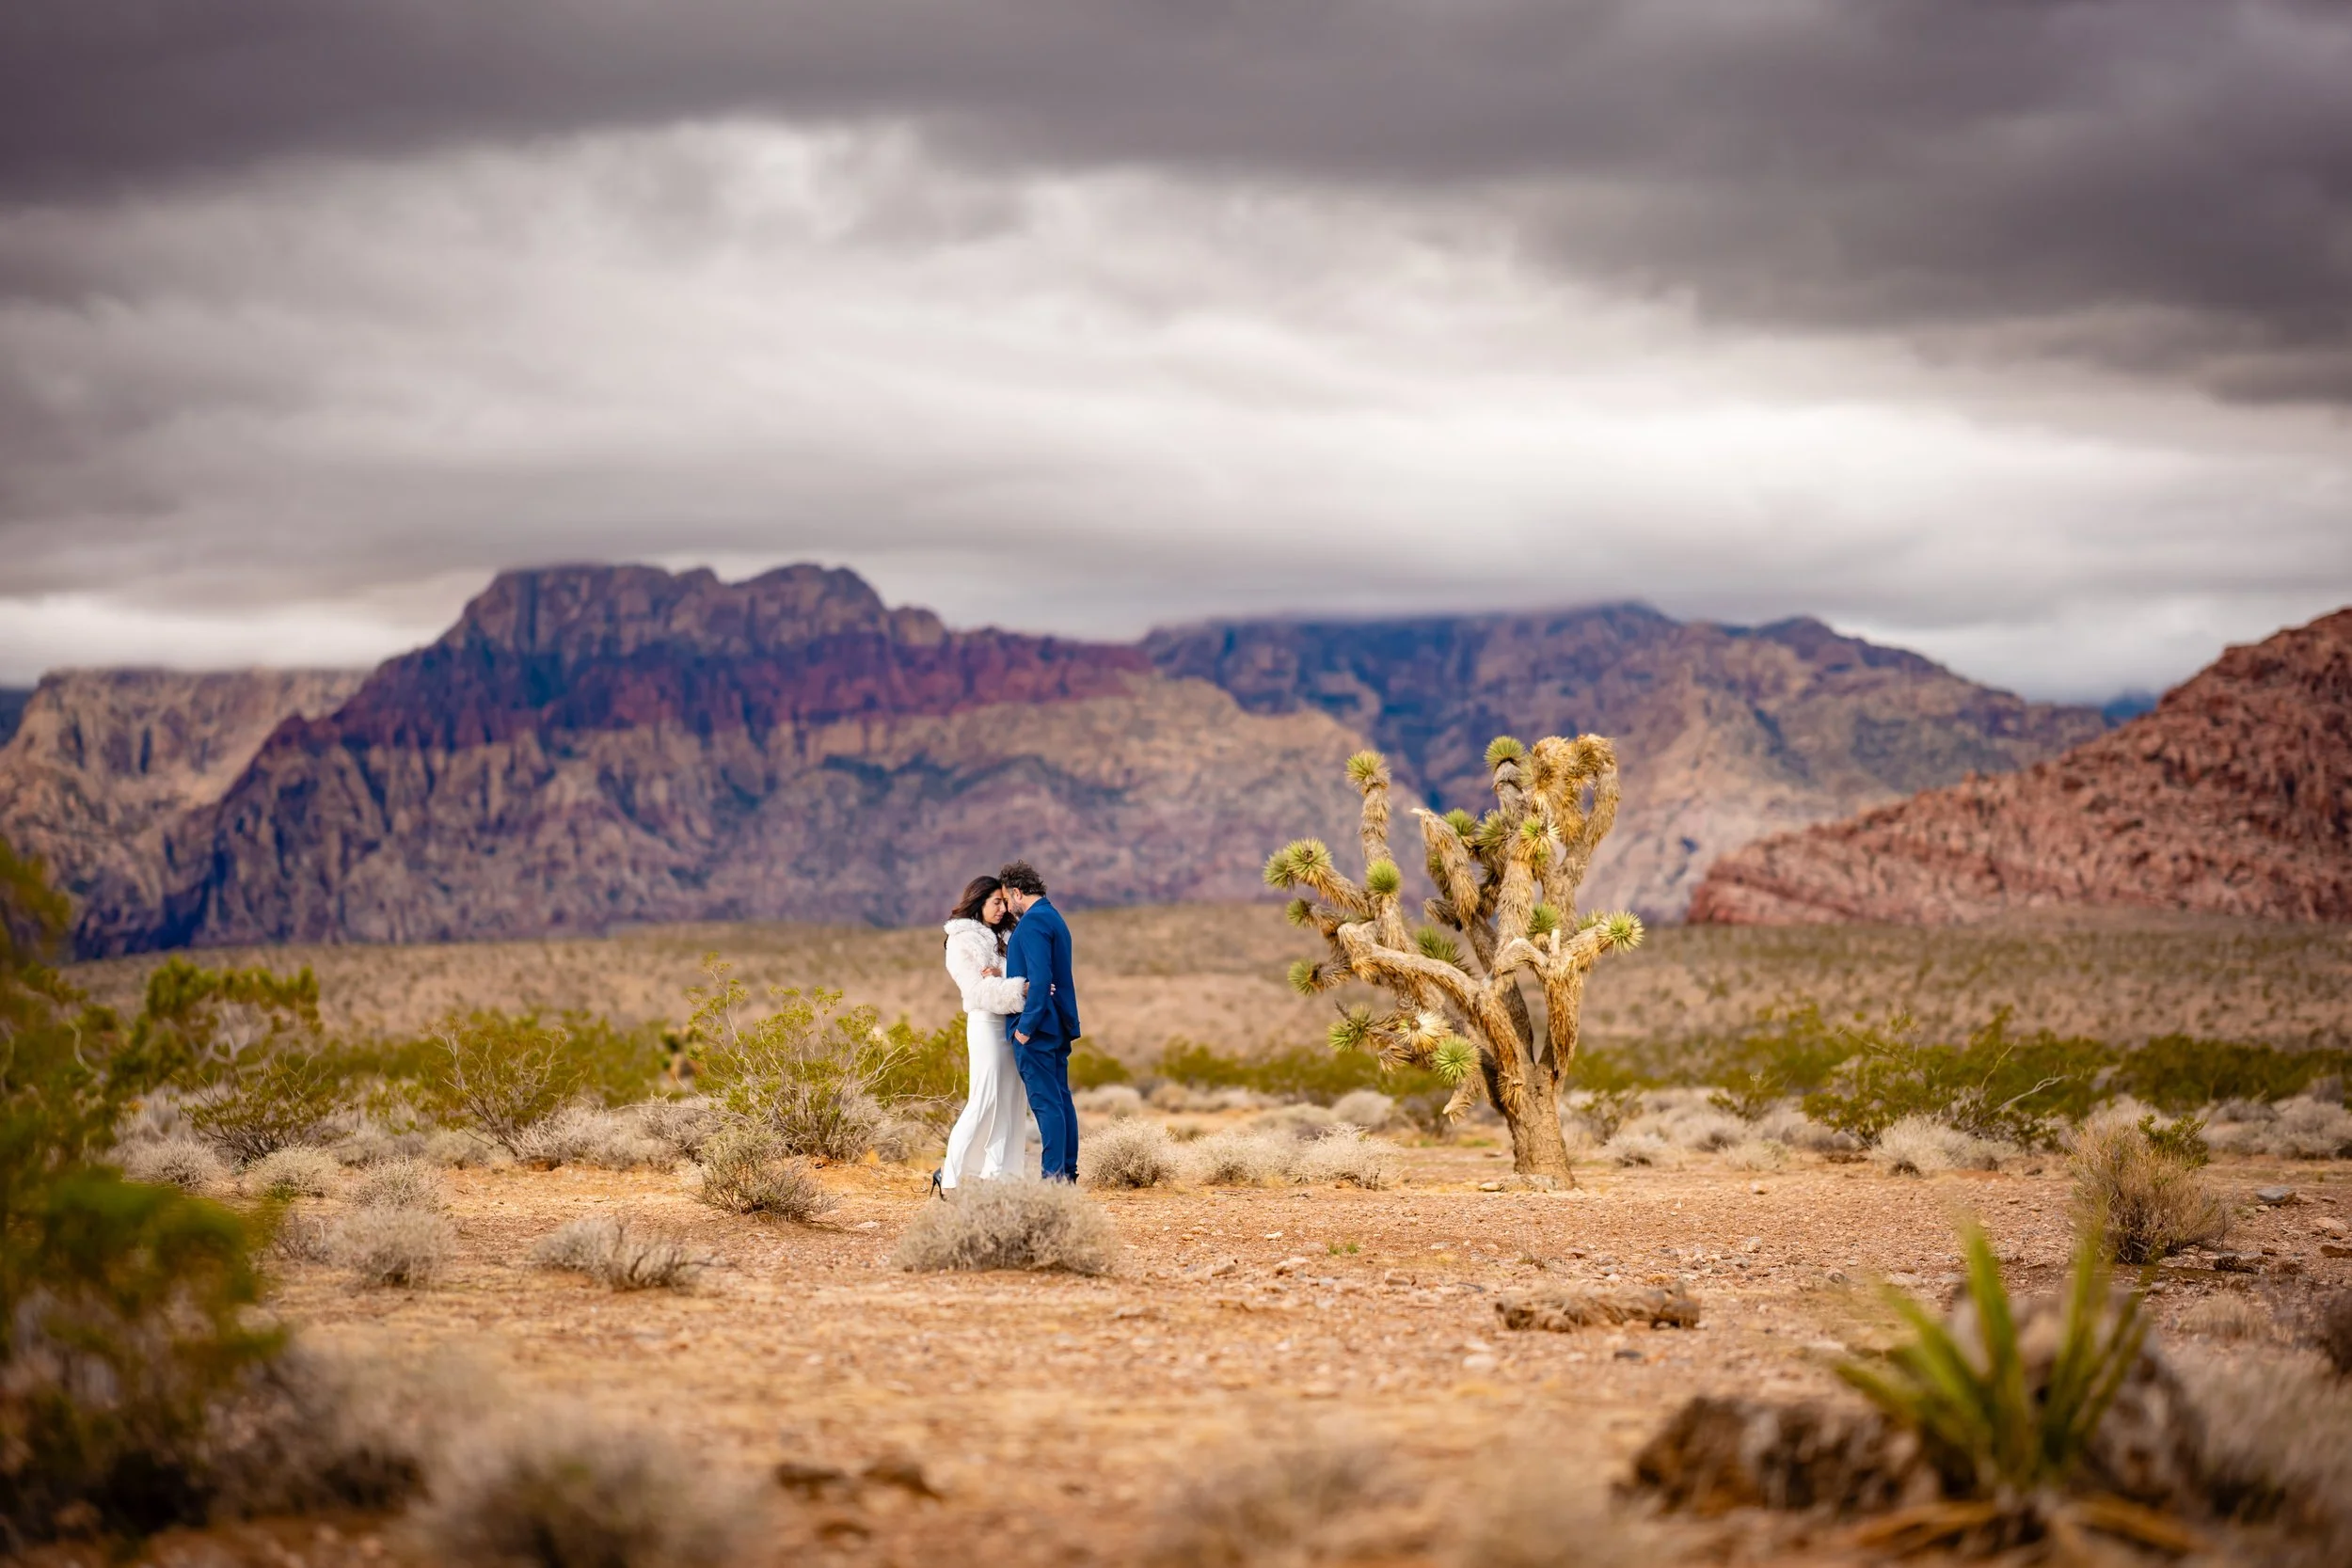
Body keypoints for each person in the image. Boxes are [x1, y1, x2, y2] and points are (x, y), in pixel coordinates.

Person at [933, 875, 1032, 1196]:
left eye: (1005, 902)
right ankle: (951, 1175)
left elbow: (1017, 972)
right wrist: (1018, 989)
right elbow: (976, 990)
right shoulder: (962, 940)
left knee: (1011, 1100)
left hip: (1009, 1023)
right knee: (985, 1098)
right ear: (979, 902)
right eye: (996, 902)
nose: (1003, 909)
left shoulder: (1005, 935)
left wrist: (1005, 976)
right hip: (985, 1025)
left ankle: (1001, 1176)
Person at [998, 860, 1081, 1182]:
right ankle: (1066, 1175)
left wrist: (1024, 1029)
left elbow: (1041, 977)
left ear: (1017, 893)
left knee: (1047, 1104)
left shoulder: (1032, 923)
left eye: (1007, 900)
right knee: (1060, 1099)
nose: (1007, 908)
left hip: (1039, 1028)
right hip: (1057, 1024)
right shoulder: (1053, 916)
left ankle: (1054, 1179)